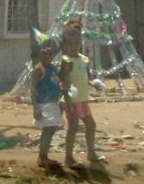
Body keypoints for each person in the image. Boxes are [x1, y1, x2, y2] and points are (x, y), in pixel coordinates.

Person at [60, 22, 106, 169]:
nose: (73, 46)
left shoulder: (83, 59)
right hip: (71, 100)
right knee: (73, 127)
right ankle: (68, 158)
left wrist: (94, 84)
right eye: (69, 44)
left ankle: (91, 153)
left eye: (76, 43)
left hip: (82, 100)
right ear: (64, 46)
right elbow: (65, 84)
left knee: (91, 125)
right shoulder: (66, 61)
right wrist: (67, 103)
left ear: (80, 43)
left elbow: (86, 77)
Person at [30, 29, 64, 168]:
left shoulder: (53, 68)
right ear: (39, 54)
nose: (47, 56)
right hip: (44, 105)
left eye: (49, 53)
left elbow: (57, 83)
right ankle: (42, 158)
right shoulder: (38, 69)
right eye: (43, 53)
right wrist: (35, 107)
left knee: (50, 131)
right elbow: (33, 88)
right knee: (47, 131)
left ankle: (44, 157)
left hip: (53, 103)